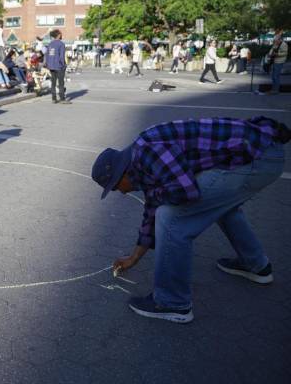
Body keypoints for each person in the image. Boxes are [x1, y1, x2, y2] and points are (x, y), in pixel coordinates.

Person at [92, 116, 289, 323]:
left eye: (115, 187)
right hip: (262, 154)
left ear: (121, 175)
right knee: (217, 206)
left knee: (169, 217)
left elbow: (186, 193)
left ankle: (172, 303)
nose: (121, 193)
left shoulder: (149, 152)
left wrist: (157, 197)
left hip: (259, 157)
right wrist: (134, 257)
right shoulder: (141, 162)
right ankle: (256, 265)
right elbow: (151, 209)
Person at [45, 29, 69, 104]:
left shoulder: (50, 44)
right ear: (58, 35)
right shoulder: (61, 44)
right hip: (59, 66)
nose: (61, 35)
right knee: (61, 83)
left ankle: (53, 98)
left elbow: (47, 55)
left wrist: (48, 65)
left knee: (53, 83)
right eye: (61, 34)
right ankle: (62, 98)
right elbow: (61, 56)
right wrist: (64, 65)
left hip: (51, 66)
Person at [266, 29, 288, 94]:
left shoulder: (284, 44)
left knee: (276, 76)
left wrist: (277, 54)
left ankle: (276, 90)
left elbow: (285, 53)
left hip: (280, 61)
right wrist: (269, 54)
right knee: (273, 76)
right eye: (274, 41)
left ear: (279, 39)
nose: (275, 42)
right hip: (275, 60)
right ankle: (274, 88)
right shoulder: (276, 44)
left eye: (276, 41)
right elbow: (272, 49)